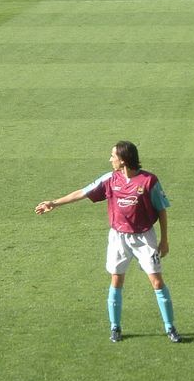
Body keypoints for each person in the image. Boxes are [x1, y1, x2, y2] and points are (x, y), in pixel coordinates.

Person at [35, 141, 181, 343]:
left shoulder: (149, 181)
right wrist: (54, 203)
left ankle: (170, 327)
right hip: (118, 237)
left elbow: (162, 210)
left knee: (157, 281)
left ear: (123, 160)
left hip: (144, 237)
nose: (110, 159)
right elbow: (83, 192)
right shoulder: (110, 179)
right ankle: (115, 327)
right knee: (116, 280)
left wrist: (164, 240)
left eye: (113, 156)